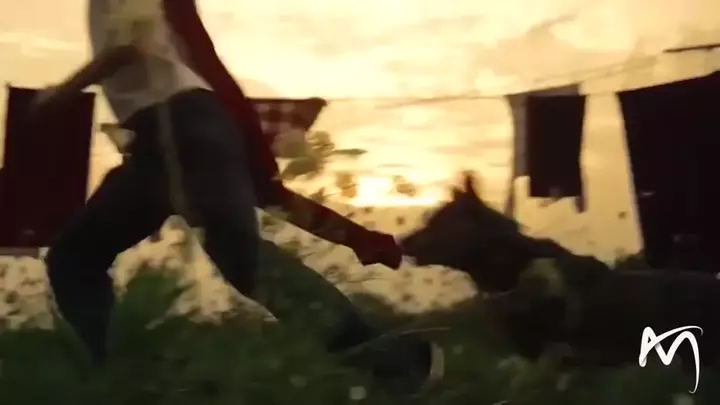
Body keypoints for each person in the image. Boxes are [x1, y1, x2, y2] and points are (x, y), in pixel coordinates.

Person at [30, 0, 443, 392]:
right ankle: (127, 377)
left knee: (83, 260)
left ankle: (396, 362)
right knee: (85, 259)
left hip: (175, 125)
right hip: (173, 131)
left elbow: (130, 45)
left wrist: (61, 94)